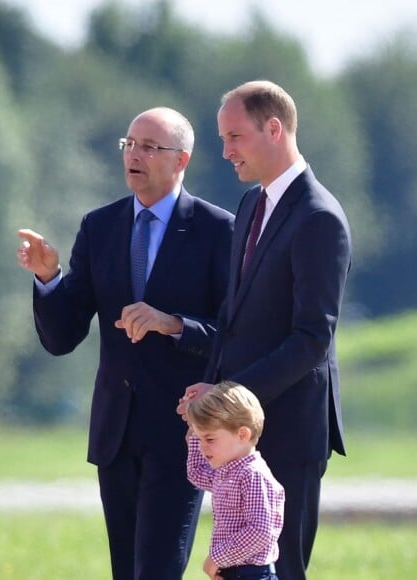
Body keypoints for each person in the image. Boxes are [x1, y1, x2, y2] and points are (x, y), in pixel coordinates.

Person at [17, 107, 235, 579]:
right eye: (130, 144)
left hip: (181, 431)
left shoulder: (218, 230)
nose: (134, 155)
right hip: (116, 433)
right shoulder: (101, 226)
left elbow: (233, 334)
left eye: (150, 147)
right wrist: (49, 277)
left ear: (181, 160)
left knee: (156, 570)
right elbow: (62, 336)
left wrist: (173, 324)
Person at [178, 80, 352, 580]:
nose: (226, 151)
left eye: (235, 137)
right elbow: (233, 318)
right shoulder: (252, 205)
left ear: (273, 128)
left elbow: (312, 339)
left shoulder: (320, 218)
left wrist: (228, 395)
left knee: (283, 571)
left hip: (290, 429)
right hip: (237, 431)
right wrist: (206, 401)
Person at [186, 381, 284, 580]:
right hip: (233, 571)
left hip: (252, 574)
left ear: (242, 434)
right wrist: (195, 430)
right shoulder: (227, 471)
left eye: (210, 439)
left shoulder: (252, 474)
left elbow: (260, 531)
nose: (204, 447)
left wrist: (216, 558)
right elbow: (196, 473)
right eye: (200, 438)